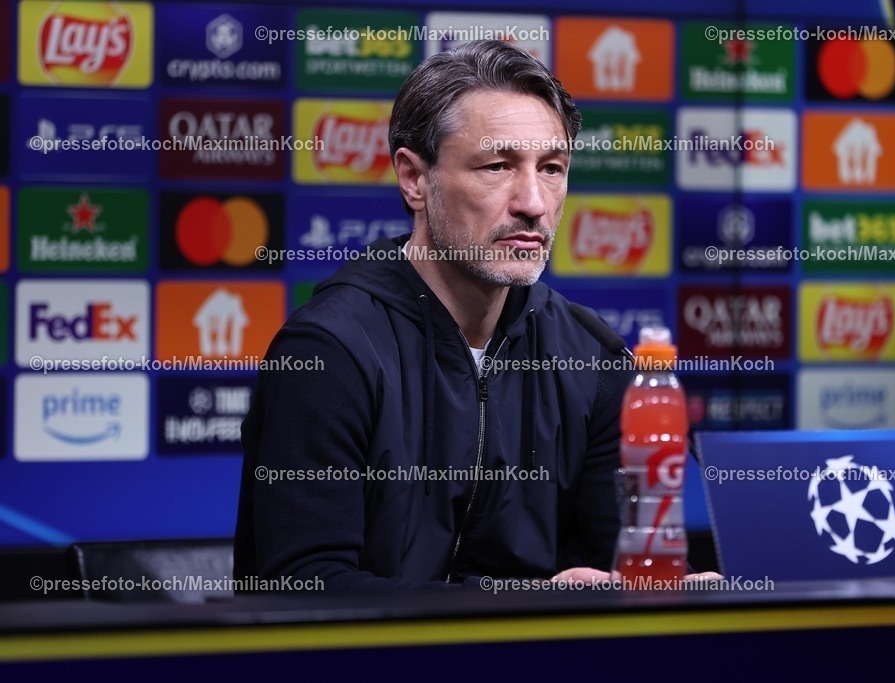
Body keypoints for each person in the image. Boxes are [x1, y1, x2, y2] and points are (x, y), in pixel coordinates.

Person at [234, 40, 706, 591]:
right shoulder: (328, 353)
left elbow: (628, 571)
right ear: (415, 178)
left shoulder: (594, 359)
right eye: (498, 166)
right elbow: (306, 587)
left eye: (551, 168)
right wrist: (525, 604)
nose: (533, 200)